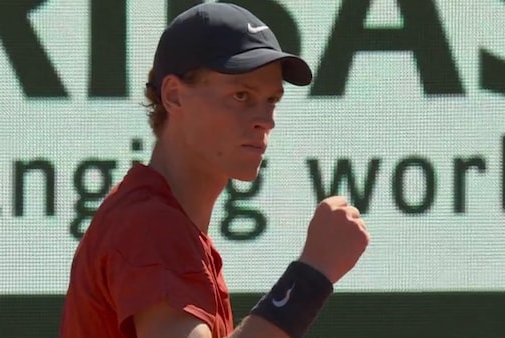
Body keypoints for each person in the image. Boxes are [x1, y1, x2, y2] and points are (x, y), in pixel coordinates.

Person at [59, 3, 369, 338]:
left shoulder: (167, 224)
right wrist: (312, 274)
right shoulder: (151, 224)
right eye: (241, 95)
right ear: (174, 96)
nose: (265, 120)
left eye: (271, 100)